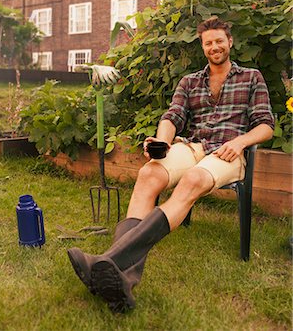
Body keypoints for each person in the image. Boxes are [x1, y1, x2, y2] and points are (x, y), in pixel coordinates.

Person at [67, 17, 274, 313]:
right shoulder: (190, 81)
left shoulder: (251, 77)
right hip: (194, 146)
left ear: (230, 42)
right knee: (149, 173)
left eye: (219, 41)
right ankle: (122, 276)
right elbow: (172, 116)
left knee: (191, 180)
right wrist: (161, 146)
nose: (214, 47)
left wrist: (240, 143)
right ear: (202, 47)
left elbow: (266, 125)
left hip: (227, 152)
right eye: (208, 43)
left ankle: (109, 262)